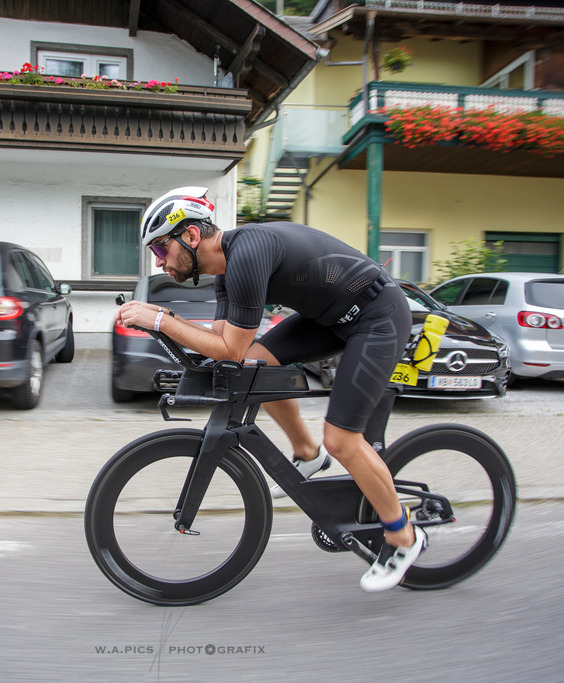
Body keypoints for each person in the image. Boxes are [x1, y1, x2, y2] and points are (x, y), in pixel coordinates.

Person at [116, 186, 425, 592]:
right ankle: (306, 454)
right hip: (329, 317)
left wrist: (160, 322)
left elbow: (228, 346)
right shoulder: (226, 270)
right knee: (255, 367)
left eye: (161, 249)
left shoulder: (247, 253)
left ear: (191, 237)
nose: (159, 264)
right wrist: (166, 317)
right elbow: (226, 343)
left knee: (344, 440)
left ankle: (403, 536)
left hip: (376, 315)